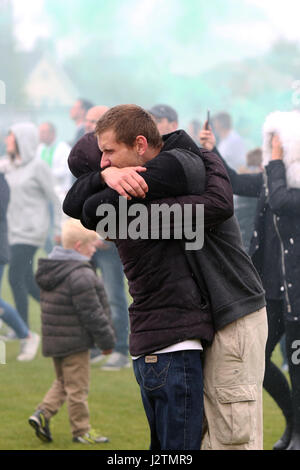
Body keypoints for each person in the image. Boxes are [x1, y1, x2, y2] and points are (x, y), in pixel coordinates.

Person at [63, 104, 267, 450]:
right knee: (206, 436)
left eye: (109, 154)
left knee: (232, 435)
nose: (105, 162)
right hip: (201, 321)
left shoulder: (152, 194)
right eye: (99, 160)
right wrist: (105, 177)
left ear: (139, 145)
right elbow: (83, 207)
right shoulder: (150, 193)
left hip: (232, 313)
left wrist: (204, 157)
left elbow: (217, 206)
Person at [200, 114, 300, 450]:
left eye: (281, 144)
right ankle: (292, 423)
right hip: (269, 290)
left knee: (298, 366)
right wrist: (213, 152)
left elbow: (284, 201)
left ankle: (298, 435)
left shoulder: (285, 184)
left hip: (297, 292)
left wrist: (273, 160)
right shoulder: (273, 179)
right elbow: (235, 183)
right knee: (257, 361)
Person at [28, 219, 115, 444]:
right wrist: (107, 342)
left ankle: (42, 414)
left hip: (54, 340)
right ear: (78, 246)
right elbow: (93, 314)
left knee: (63, 383)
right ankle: (81, 431)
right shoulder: (81, 274)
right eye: (92, 244)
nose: (95, 248)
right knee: (78, 388)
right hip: (75, 342)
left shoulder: (52, 269)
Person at [73, 104, 130, 370]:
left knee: (113, 294)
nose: (87, 125)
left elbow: (119, 203)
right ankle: (99, 344)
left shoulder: (116, 154)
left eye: (93, 121)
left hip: (109, 241)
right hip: (86, 238)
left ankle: (121, 349)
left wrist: (105, 237)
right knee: (89, 294)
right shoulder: (83, 151)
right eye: (86, 120)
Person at [1, 123, 62, 328]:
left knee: (14, 276)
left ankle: (22, 328)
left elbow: (56, 198)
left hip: (31, 232)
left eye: (10, 137)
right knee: (27, 282)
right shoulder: (8, 166)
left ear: (22, 140)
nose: (6, 140)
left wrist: (59, 229)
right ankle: (60, 311)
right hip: (11, 230)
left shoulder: (38, 166)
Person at [0, 172, 40, 361]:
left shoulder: (2, 181)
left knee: (17, 281)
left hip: (10, 244)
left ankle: (26, 334)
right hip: (12, 241)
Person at [37, 122, 72, 253]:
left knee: (59, 229)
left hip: (59, 196)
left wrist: (45, 175)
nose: (40, 135)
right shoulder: (40, 149)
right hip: (44, 198)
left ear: (53, 133)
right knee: (44, 229)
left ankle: (61, 253)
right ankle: (51, 253)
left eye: (44, 132)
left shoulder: (63, 148)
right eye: (40, 132)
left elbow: (65, 170)